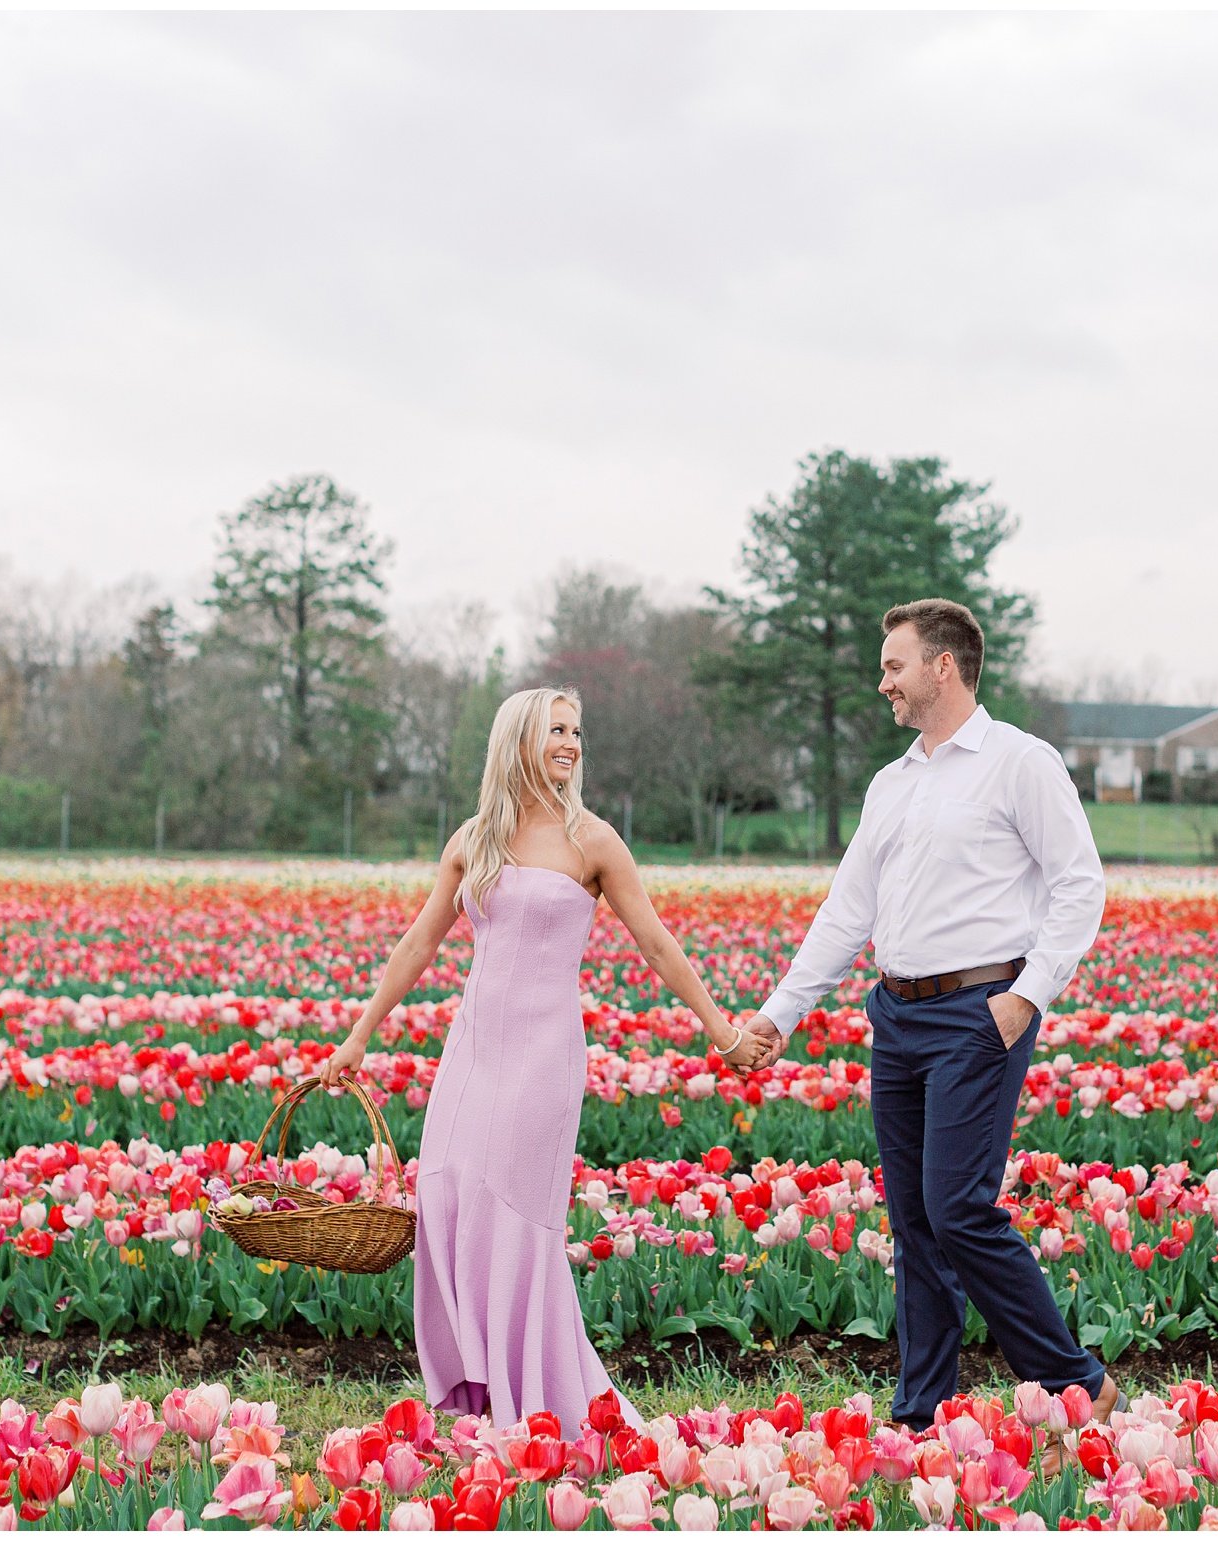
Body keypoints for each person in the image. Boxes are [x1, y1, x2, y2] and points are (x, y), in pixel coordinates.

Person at [320, 685, 758, 1432]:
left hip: (542, 1057)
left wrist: (723, 1032)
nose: (571, 743)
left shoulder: (593, 840)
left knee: (514, 1215)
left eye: (577, 731)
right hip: (473, 1052)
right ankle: (474, 1387)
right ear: (519, 736)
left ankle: (537, 1394)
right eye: (557, 728)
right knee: (451, 1198)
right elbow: (420, 942)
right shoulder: (473, 839)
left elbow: (655, 941)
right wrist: (360, 1032)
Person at [730, 598, 1122, 1429]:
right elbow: (848, 908)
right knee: (913, 1221)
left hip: (981, 1013)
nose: (883, 683)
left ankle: (1073, 1378)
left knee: (958, 1209)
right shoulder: (893, 781)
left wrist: (1027, 996)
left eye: (894, 665)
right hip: (898, 1017)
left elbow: (1079, 883)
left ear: (944, 665)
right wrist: (781, 1012)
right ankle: (923, 1411)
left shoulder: (1020, 761)